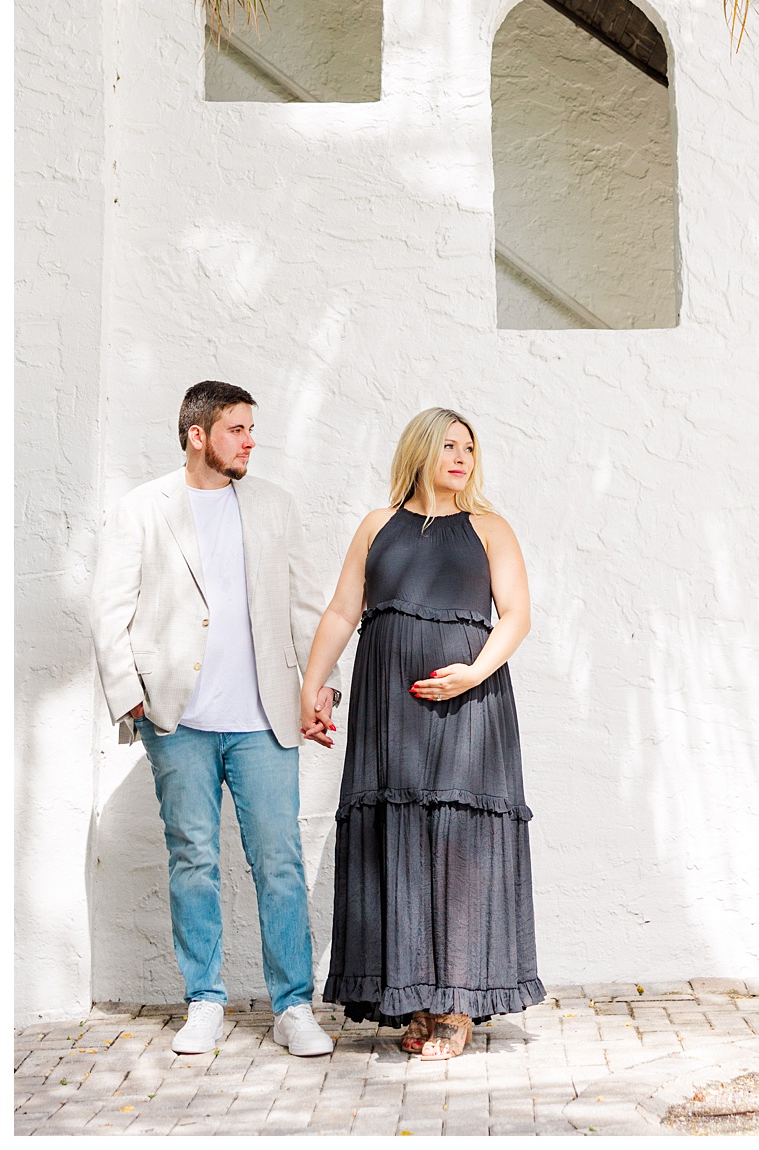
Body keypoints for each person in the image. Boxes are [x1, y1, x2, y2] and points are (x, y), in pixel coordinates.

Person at [90, 381, 343, 1057]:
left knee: (280, 863)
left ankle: (293, 1008)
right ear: (199, 435)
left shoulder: (273, 506)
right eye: (238, 429)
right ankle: (203, 1000)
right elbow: (109, 607)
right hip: (179, 722)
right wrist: (132, 697)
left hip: (263, 719)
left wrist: (321, 688)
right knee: (192, 859)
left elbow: (305, 607)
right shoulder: (143, 508)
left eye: (251, 428)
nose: (250, 441)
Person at [302, 407, 545, 1059]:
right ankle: (415, 996)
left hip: (470, 705)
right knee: (399, 841)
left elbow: (516, 616)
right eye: (448, 444)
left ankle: (457, 1006)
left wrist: (473, 674)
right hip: (389, 712)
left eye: (469, 445)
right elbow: (340, 610)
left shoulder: (489, 529)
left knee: (458, 845)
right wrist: (311, 684)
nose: (461, 456)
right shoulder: (377, 527)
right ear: (419, 450)